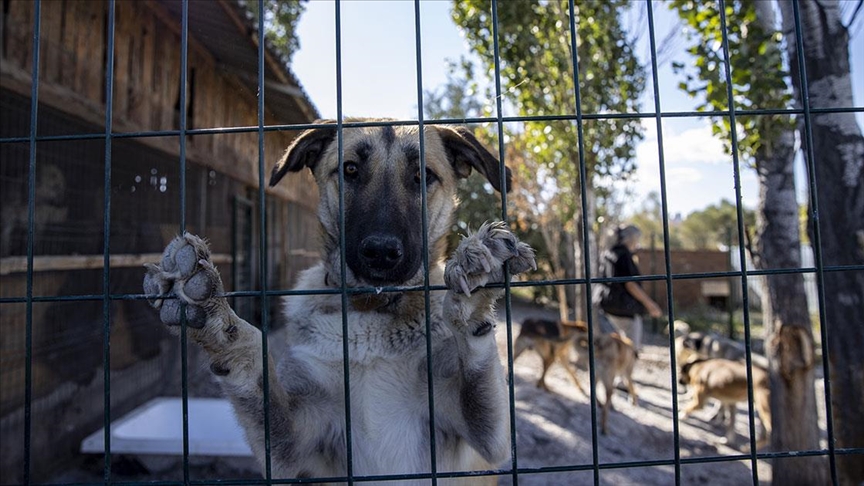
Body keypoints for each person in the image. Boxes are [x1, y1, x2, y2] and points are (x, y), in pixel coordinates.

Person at [593, 224, 663, 351]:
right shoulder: (623, 256)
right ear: (631, 238)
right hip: (625, 310)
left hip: (606, 307)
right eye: (637, 239)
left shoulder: (607, 254)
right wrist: (650, 305)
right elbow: (630, 284)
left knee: (611, 350)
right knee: (630, 351)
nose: (638, 243)